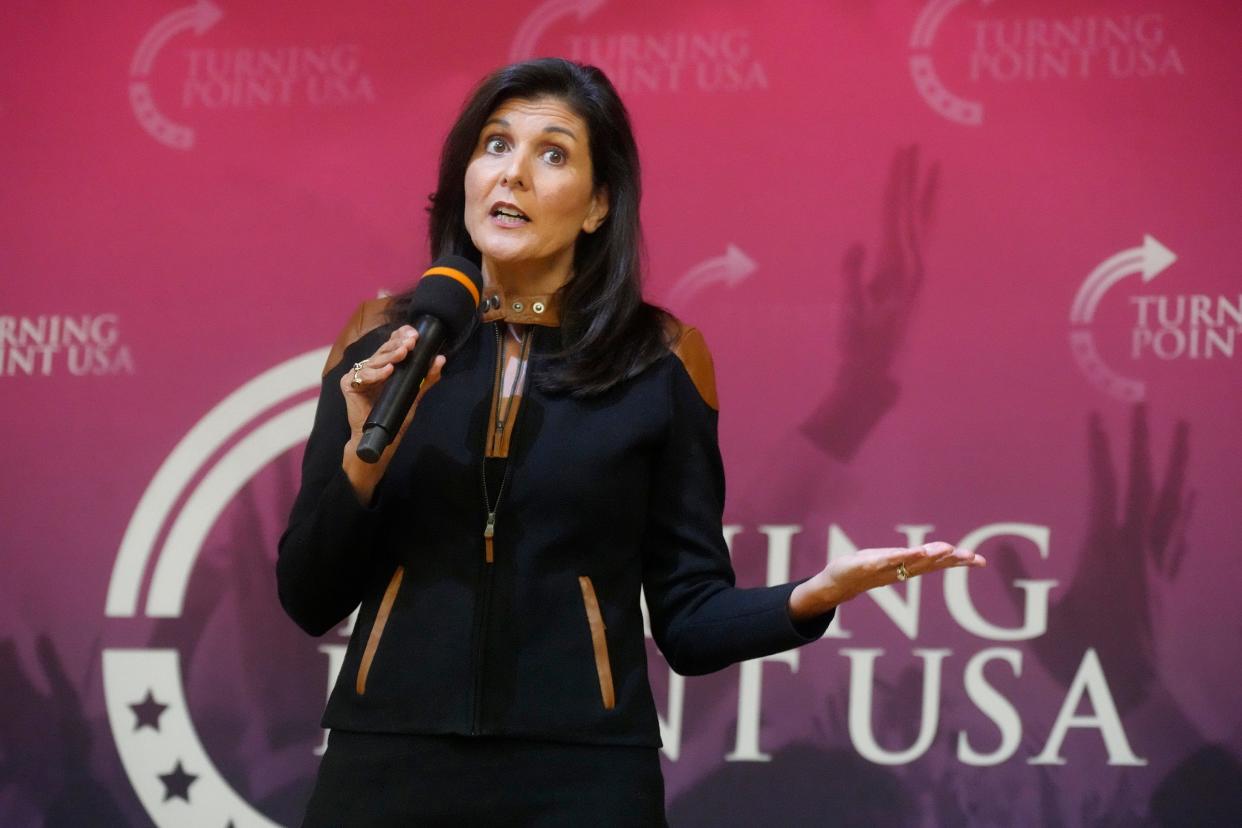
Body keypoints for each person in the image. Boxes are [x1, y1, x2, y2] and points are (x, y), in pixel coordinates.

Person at [277, 57, 985, 826]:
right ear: (465, 176)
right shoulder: (384, 342)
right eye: (495, 145)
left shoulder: (661, 359)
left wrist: (815, 595)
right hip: (385, 768)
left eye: (552, 154)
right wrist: (361, 457)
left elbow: (688, 616)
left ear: (596, 205)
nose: (512, 174)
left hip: (582, 777)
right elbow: (309, 596)